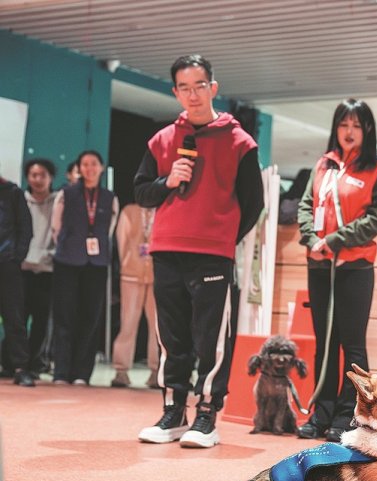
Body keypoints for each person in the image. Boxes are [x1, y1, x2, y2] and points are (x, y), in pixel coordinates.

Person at [134, 54, 264, 448]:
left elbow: (253, 204)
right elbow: (141, 192)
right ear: (175, 92)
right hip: (167, 249)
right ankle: (174, 410)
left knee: (211, 338)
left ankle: (207, 414)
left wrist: (222, 238)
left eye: (200, 85)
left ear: (213, 88)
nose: (193, 94)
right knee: (172, 337)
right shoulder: (162, 140)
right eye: (184, 88)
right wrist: (167, 180)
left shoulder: (240, 142)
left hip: (213, 254)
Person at [296, 99, 377, 442]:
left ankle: (348, 414)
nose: (348, 132)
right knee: (325, 344)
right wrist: (311, 237)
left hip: (355, 266)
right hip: (319, 265)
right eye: (343, 125)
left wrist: (335, 240)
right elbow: (306, 205)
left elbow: (376, 218)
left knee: (353, 346)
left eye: (356, 125)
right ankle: (320, 413)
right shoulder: (323, 166)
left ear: (367, 130)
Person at [50, 150, 119, 386]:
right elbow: (56, 227)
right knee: (64, 316)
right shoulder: (66, 194)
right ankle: (61, 372)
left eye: (93, 164)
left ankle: (82, 373)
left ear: (101, 167)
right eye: (84, 164)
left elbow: (110, 229)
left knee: (90, 317)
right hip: (67, 261)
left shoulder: (110, 197)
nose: (89, 168)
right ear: (79, 168)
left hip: (97, 264)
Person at [110, 203, 159, 389]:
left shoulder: (162, 209)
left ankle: (156, 370)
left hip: (156, 274)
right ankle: (121, 370)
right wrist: (127, 264)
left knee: (157, 326)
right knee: (128, 322)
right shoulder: (129, 211)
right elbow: (121, 241)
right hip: (131, 274)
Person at [19, 158, 57, 379]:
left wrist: (48, 256)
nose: (38, 179)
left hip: (47, 271)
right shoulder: (20, 200)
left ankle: (34, 363)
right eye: (33, 175)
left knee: (41, 322)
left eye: (43, 175)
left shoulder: (58, 201)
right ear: (27, 178)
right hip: (22, 269)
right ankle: (16, 363)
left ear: (51, 177)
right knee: (19, 320)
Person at [0, 170, 34, 386]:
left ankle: (21, 368)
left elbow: (25, 228)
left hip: (8, 264)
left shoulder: (13, 192)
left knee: (14, 317)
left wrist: (17, 256)